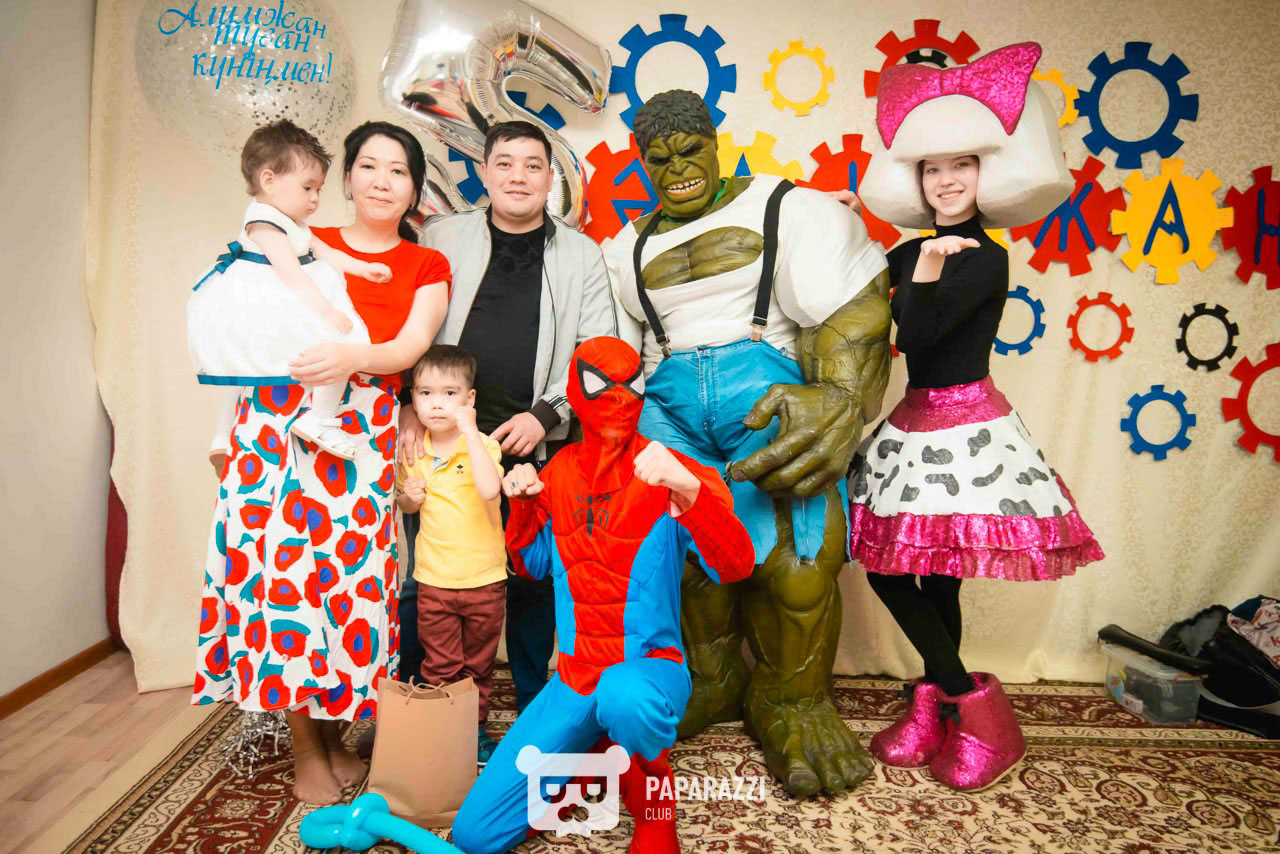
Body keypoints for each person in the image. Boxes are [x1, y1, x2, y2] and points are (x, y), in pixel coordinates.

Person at [603, 90, 891, 797]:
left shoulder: (786, 206)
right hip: (670, 406)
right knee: (678, 557)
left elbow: (852, 304)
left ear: (715, 143)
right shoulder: (624, 247)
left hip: (765, 392)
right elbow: (622, 354)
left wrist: (839, 395)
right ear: (643, 163)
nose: (678, 169)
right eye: (659, 159)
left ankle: (793, 699)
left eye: (690, 151)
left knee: (797, 560)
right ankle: (712, 678)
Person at [851, 42, 1103, 791]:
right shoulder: (908, 253)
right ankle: (941, 706)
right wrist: (847, 227)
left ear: (987, 170)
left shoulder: (987, 257)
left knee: (936, 577)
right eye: (932, 168)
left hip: (967, 429)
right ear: (914, 177)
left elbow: (918, 337)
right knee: (901, 569)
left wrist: (929, 269)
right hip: (913, 422)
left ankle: (976, 713)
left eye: (961, 164)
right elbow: (864, 300)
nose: (947, 180)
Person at [194, 120, 450, 805]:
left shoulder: (425, 265)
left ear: (415, 188)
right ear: (346, 178)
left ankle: (335, 736)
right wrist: (223, 437)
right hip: (279, 426)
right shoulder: (299, 236)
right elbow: (246, 323)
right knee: (286, 587)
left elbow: (409, 349)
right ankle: (307, 748)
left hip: (358, 431)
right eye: (369, 165)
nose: (382, 181)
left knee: (346, 591)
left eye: (398, 170)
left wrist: (352, 358)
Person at [450, 337, 754, 854]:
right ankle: (595, 753)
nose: (617, 397)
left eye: (630, 385)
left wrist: (690, 490)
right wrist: (523, 505)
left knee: (624, 696)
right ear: (576, 390)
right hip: (573, 679)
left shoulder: (672, 466)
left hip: (648, 670)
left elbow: (735, 565)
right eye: (600, 385)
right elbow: (532, 567)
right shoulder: (559, 471)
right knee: (476, 835)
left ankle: (655, 806)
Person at [398, 121, 617, 712]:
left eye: (532, 165)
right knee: (427, 581)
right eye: (505, 163)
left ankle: (530, 703)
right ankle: (417, 710)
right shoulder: (442, 236)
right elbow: (407, 326)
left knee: (531, 578)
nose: (518, 176)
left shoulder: (581, 254)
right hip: (443, 441)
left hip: (532, 447)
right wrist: (409, 406)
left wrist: (546, 415)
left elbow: (599, 353)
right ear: (485, 173)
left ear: (550, 178)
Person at [188, 120, 392, 460]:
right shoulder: (264, 224)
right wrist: (328, 311)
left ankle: (223, 437)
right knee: (343, 340)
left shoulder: (292, 222)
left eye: (318, 190)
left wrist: (363, 268)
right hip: (271, 301)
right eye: (307, 188)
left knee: (251, 366)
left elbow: (326, 252)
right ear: (269, 180)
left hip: (277, 300)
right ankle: (320, 418)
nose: (314, 199)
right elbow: (292, 274)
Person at [394, 345, 506, 764]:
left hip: (485, 580)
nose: (437, 403)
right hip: (434, 581)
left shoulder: (484, 446)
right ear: (413, 397)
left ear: (469, 399)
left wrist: (470, 431)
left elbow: (490, 490)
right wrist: (409, 496)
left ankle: (473, 730)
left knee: (477, 664)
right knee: (440, 663)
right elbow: (407, 508)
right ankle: (444, 732)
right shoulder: (414, 451)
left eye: (449, 393)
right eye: (425, 393)